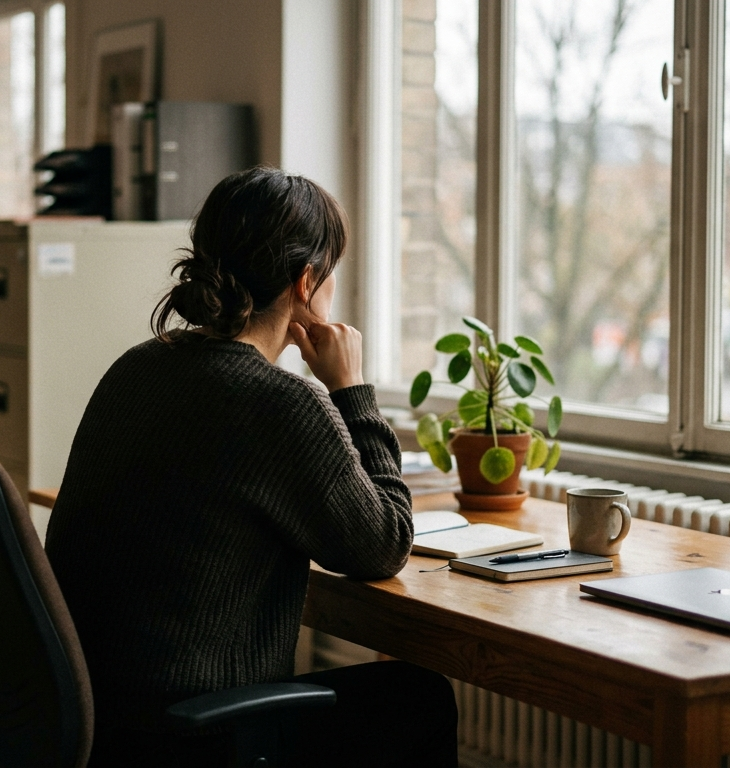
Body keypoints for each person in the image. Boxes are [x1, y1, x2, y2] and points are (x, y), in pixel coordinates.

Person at [44, 166, 457, 767]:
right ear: (307, 280)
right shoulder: (280, 403)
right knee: (418, 699)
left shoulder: (136, 366)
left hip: (90, 716)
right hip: (192, 734)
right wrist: (351, 388)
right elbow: (385, 544)